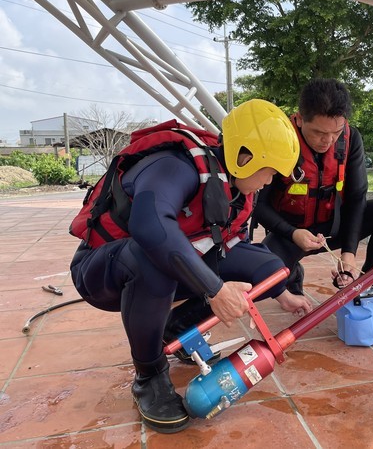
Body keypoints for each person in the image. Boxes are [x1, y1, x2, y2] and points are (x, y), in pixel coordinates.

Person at [69, 99, 313, 434]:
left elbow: (231, 245)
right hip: (102, 270)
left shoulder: (236, 187)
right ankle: (149, 374)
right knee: (151, 258)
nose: (270, 181)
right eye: (269, 171)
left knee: (270, 267)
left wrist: (280, 292)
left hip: (158, 263)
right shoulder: (175, 165)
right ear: (245, 158)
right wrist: (214, 290)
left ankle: (178, 331)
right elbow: (150, 227)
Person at [253, 78, 373, 323]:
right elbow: (258, 206)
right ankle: (292, 272)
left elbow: (357, 197)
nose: (328, 141)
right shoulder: (279, 140)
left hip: (333, 225)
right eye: (319, 132)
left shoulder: (351, 139)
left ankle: (365, 290)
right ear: (300, 119)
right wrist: (293, 233)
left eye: (336, 132)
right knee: (257, 279)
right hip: (290, 233)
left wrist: (349, 252)